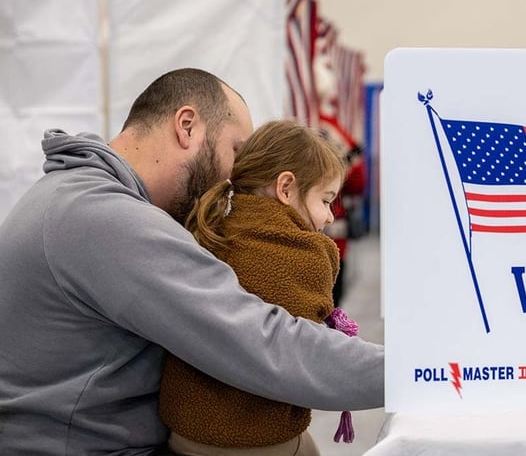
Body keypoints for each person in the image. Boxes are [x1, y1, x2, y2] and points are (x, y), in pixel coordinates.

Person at [0, 68, 384, 455]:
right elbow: (263, 343)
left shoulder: (70, 195)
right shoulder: (104, 218)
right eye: (235, 150)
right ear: (187, 127)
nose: (235, 174)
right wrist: (414, 373)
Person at [158, 119, 360, 455]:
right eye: (326, 201)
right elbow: (306, 359)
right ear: (285, 188)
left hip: (184, 430)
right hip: (252, 437)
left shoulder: (209, 230)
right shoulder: (304, 256)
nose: (328, 217)